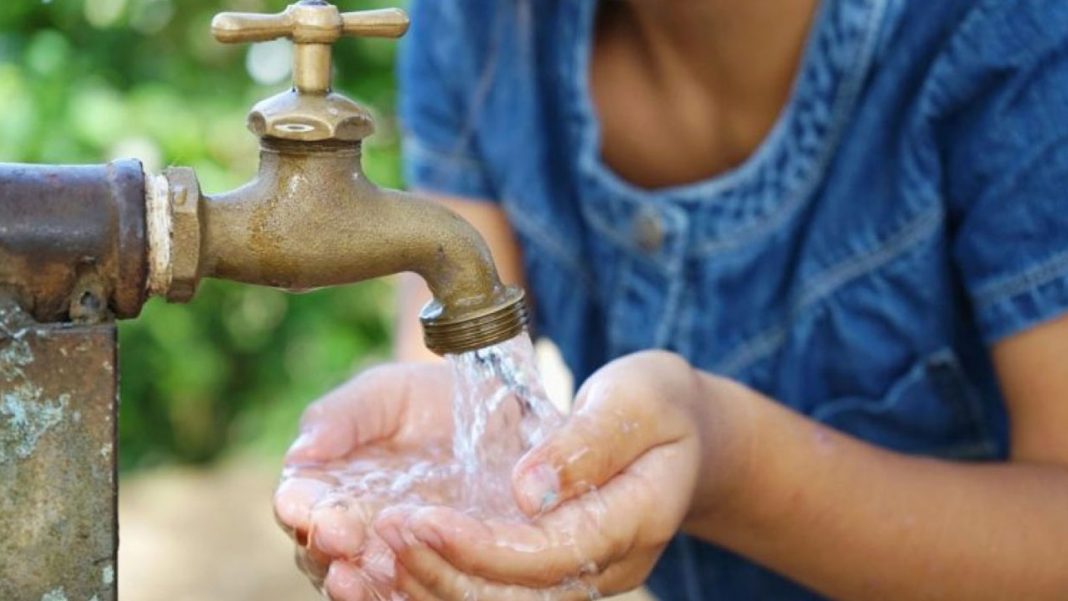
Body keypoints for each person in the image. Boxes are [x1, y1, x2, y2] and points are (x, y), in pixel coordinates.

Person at [275, 0, 1068, 599]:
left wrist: (732, 461)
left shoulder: (1011, 37)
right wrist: (438, 489)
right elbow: (460, 335)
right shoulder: (479, 24)